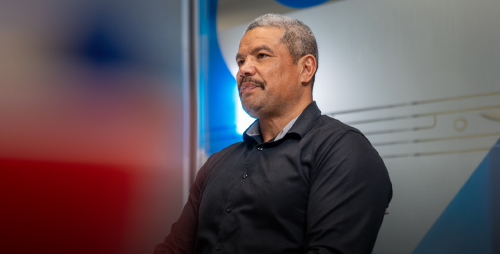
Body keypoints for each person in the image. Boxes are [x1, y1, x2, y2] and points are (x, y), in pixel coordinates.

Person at [155, 13, 392, 254]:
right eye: (240, 61)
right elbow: (175, 248)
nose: (244, 70)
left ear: (306, 69)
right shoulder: (217, 163)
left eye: (261, 56)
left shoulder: (342, 151)